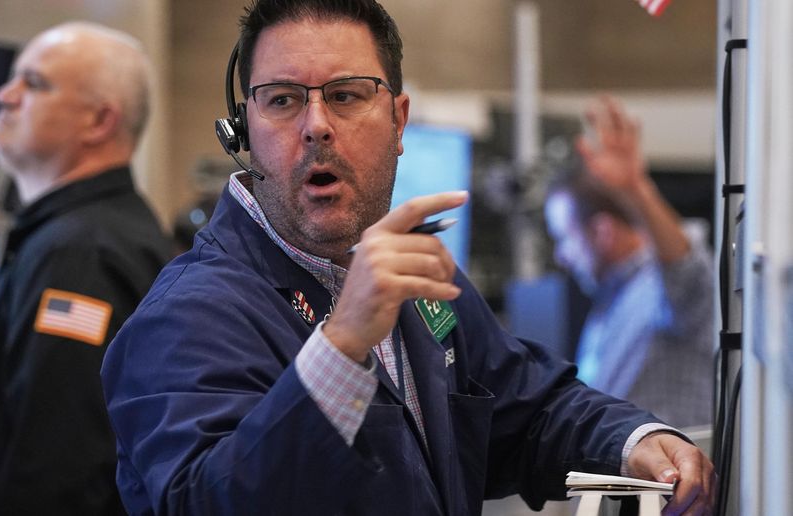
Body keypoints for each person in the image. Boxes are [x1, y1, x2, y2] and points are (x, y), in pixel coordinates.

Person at [101, 1, 715, 514]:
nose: (316, 125)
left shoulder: (414, 277)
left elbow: (527, 407)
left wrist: (634, 440)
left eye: (345, 95)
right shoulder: (186, 318)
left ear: (398, 122)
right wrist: (340, 348)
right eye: (282, 100)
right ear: (243, 130)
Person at [0, 22, 172, 515]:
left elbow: (61, 474)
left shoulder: (81, 255)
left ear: (99, 121)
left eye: (33, 83)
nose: (3, 95)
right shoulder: (73, 236)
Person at [544, 97, 715, 429]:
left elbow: (689, 271)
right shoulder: (611, 299)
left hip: (672, 463)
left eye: (565, 238)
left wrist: (637, 190)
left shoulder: (657, 287)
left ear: (603, 231)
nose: (561, 256)